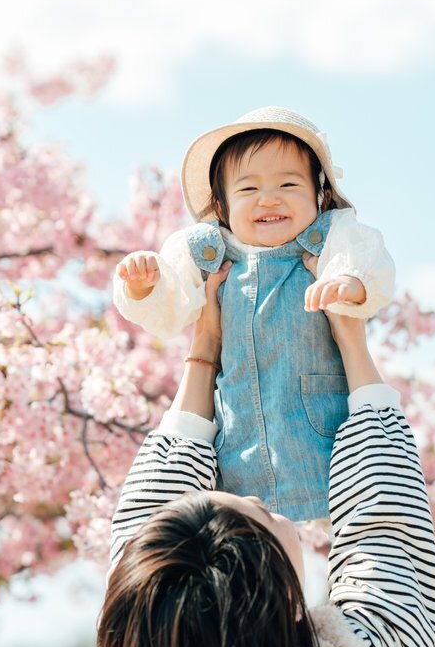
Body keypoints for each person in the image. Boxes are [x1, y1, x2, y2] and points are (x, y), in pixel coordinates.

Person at [98, 260, 435, 647]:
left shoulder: (148, 625)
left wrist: (208, 343)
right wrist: (351, 342)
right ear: (281, 601)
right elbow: (387, 529)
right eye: (260, 516)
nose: (254, 497)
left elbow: (148, 537)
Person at [112, 106, 396, 522]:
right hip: (237, 449)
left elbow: (366, 262)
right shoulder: (208, 253)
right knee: (243, 525)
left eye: (288, 183)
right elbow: (172, 304)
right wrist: (145, 284)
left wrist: (351, 284)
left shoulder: (329, 239)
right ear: (222, 207)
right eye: (248, 190)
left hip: (324, 444)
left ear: (319, 195)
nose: (269, 198)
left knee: (345, 515)